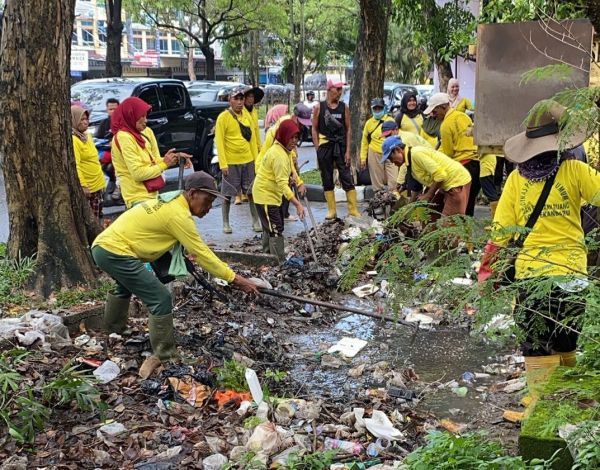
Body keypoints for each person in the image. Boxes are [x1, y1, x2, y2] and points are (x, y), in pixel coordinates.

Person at [478, 101, 600, 412]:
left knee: (536, 343)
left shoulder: (517, 180)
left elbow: (502, 232)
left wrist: (487, 273)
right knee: (566, 339)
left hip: (533, 276)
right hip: (572, 273)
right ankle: (563, 405)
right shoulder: (575, 170)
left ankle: (538, 408)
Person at [92, 171, 260, 374]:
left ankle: (113, 330)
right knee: (160, 298)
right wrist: (237, 280)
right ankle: (165, 354)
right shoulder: (178, 214)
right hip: (114, 251)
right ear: (192, 193)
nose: (208, 207)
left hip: (105, 248)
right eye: (207, 200)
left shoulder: (170, 201)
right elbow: (203, 254)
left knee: (125, 285)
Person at [427, 92, 499, 218]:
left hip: (463, 165)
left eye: (435, 110)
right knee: (469, 203)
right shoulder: (463, 116)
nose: (433, 115)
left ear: (443, 107)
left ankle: (462, 234)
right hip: (476, 163)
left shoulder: (445, 125)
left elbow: (448, 153)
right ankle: (468, 232)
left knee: (462, 206)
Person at [110, 97, 189, 208]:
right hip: (137, 198)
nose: (146, 121)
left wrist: (175, 157)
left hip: (151, 194)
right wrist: (164, 164)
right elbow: (138, 173)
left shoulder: (143, 132)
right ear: (131, 115)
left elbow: (154, 160)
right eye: (142, 116)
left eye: (146, 116)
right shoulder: (124, 137)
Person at [253, 120, 306, 262]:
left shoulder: (285, 150)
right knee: (275, 228)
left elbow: (291, 169)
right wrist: (298, 205)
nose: (294, 141)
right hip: (265, 195)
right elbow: (283, 185)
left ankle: (268, 258)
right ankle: (277, 260)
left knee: (270, 226)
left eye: (296, 138)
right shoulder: (278, 155)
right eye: (291, 137)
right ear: (283, 135)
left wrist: (299, 182)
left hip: (271, 195)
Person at [382, 135, 471, 218]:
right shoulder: (410, 162)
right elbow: (417, 189)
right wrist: (408, 209)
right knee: (429, 217)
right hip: (444, 184)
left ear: (398, 150)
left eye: (390, 158)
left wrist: (428, 195)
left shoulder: (416, 154)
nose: (392, 162)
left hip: (456, 182)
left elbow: (440, 175)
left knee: (449, 224)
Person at [216, 86, 262, 233]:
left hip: (248, 160)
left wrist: (256, 160)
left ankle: (255, 221)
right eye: (236, 98)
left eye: (242, 98)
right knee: (227, 194)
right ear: (230, 100)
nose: (240, 102)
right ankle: (225, 223)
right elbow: (220, 142)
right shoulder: (223, 118)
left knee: (251, 192)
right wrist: (223, 164)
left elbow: (253, 139)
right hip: (231, 162)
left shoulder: (247, 116)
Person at [311, 79, 360, 219]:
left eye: (341, 90)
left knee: (346, 176)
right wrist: (317, 148)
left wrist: (348, 151)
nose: (339, 93)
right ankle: (331, 210)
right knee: (326, 177)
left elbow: (349, 129)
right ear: (329, 89)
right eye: (337, 89)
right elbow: (314, 128)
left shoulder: (344, 107)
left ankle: (353, 209)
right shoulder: (319, 107)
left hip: (340, 146)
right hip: (325, 146)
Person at [258, 103, 311, 223]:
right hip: (268, 170)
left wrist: (298, 181)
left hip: (279, 165)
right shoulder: (283, 127)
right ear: (295, 117)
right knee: (273, 220)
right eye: (301, 122)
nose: (302, 126)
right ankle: (279, 220)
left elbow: (289, 155)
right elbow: (282, 157)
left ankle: (282, 216)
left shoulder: (293, 131)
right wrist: (298, 203)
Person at [71, 105, 106, 221]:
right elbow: (77, 164)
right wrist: (83, 186)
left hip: (98, 184)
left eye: (86, 119)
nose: (86, 122)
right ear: (74, 120)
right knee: (92, 219)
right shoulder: (74, 140)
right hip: (89, 188)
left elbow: (94, 159)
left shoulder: (87, 136)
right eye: (82, 119)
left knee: (99, 217)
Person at [235, 87, 265, 205]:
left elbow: (256, 131)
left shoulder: (254, 111)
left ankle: (246, 193)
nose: (250, 99)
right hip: (242, 145)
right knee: (239, 172)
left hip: (253, 146)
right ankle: (238, 195)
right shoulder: (241, 111)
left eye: (252, 97)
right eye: (248, 97)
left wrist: (259, 146)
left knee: (250, 171)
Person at [360, 98, 396, 190]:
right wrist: (363, 158)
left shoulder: (390, 120)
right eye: (375, 109)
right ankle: (379, 199)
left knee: (394, 180)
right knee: (377, 181)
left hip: (391, 152)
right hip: (375, 152)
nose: (377, 111)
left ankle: (394, 197)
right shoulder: (369, 123)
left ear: (384, 108)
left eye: (379, 108)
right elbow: (364, 141)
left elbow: (396, 136)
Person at [95, 98, 121, 202]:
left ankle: (118, 187)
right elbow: (97, 139)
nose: (113, 111)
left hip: (120, 152)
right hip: (105, 150)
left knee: (116, 161)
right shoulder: (104, 123)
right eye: (110, 109)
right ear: (107, 109)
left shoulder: (123, 123)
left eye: (115, 109)